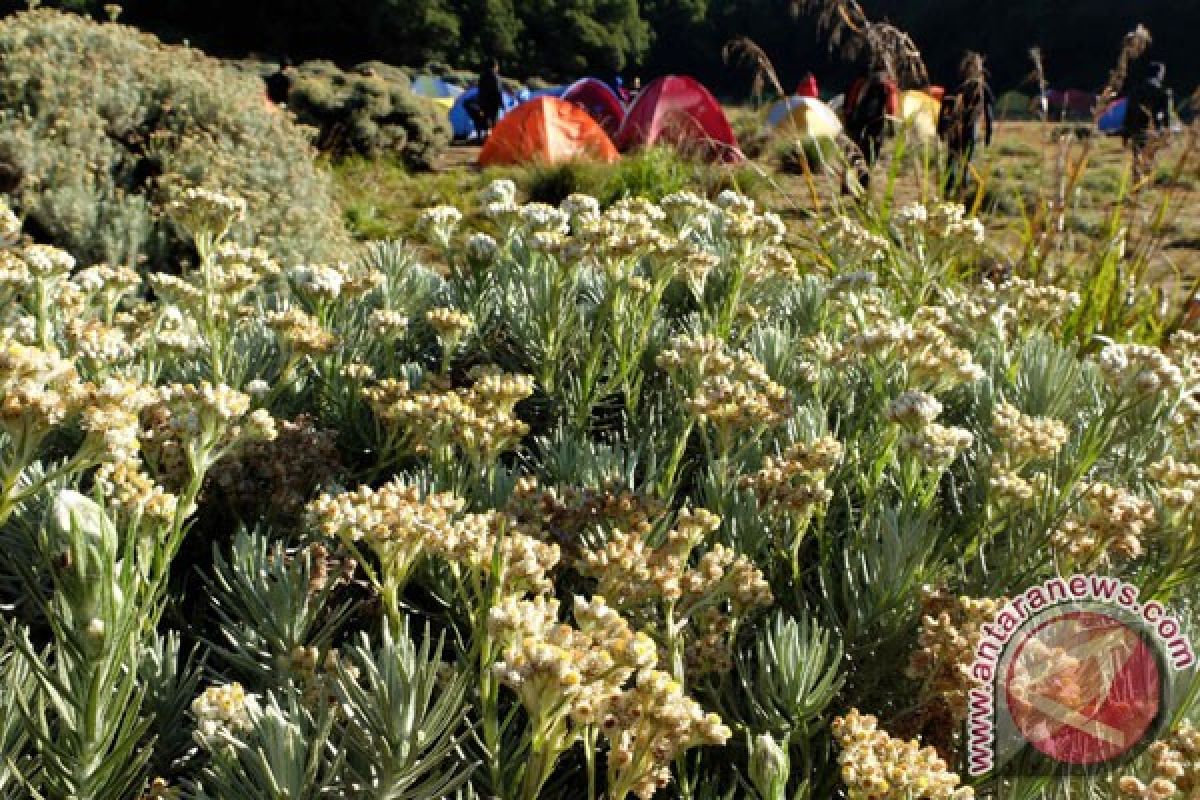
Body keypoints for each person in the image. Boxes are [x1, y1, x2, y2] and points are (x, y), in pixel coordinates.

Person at [938, 54, 995, 195]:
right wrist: (989, 133)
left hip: (958, 127)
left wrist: (940, 126)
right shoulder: (981, 87)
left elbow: (944, 106)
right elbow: (989, 112)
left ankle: (951, 189)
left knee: (954, 159)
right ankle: (960, 188)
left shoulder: (964, 85)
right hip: (965, 128)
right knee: (964, 160)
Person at [843, 60, 897, 196]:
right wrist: (892, 127)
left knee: (854, 154)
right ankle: (863, 187)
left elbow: (849, 104)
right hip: (876, 125)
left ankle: (848, 185)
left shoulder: (860, 83)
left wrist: (848, 120)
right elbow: (892, 107)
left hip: (856, 123)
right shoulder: (887, 85)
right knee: (870, 157)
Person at [1122, 61, 1170, 183]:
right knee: (1150, 157)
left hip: (1136, 127)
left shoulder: (1136, 90)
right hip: (1153, 129)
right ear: (1160, 74)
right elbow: (1165, 114)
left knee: (1137, 156)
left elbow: (1129, 112)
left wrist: (1125, 132)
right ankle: (1147, 183)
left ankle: (1136, 183)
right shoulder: (1162, 91)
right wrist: (1166, 130)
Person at [467, 60, 503, 141]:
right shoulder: (496, 77)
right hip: (494, 102)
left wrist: (480, 101)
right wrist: (501, 102)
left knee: (484, 118)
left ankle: (483, 137)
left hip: (483, 102)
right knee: (494, 120)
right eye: (497, 66)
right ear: (495, 66)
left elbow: (480, 89)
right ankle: (493, 139)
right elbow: (498, 91)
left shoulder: (482, 76)